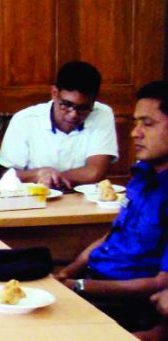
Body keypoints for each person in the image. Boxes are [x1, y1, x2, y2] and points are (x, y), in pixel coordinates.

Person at [54, 81, 168, 332]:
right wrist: (68, 272)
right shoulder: (142, 176)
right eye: (136, 122)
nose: (134, 133)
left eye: (147, 124)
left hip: (125, 301)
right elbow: (113, 235)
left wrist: (79, 286)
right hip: (94, 282)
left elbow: (161, 282)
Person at [0, 61, 118, 189]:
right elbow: (3, 177)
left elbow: (95, 171)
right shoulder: (25, 120)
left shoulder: (102, 114)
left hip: (82, 201)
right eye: (66, 105)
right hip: (34, 201)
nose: (73, 115)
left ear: (94, 101)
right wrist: (38, 174)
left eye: (83, 108)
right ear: (54, 93)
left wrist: (54, 177)